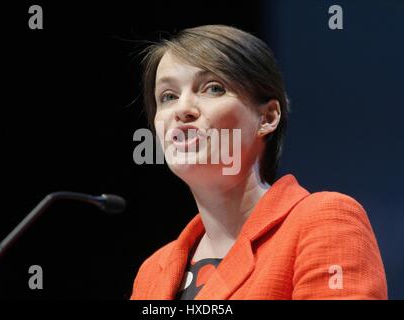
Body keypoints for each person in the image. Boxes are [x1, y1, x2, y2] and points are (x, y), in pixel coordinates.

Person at [130, 25, 387, 299]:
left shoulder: (324, 221)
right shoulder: (152, 273)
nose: (182, 110)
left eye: (213, 88)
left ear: (267, 118)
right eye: (168, 97)